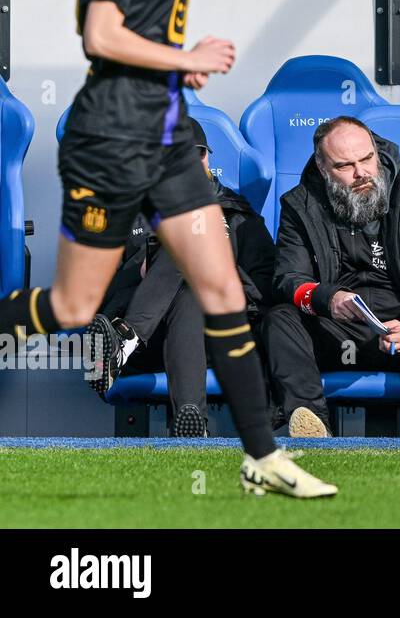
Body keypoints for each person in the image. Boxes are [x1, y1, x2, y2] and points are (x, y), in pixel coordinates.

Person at [0, 0, 335, 497]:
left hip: (168, 136)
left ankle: (263, 457)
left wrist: (177, 76)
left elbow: (138, 40)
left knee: (219, 284)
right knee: (73, 308)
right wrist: (184, 58)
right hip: (113, 137)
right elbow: (100, 33)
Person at [266, 117, 400, 437]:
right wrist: (327, 298)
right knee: (280, 320)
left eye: (367, 158)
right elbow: (288, 278)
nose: (362, 173)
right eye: (345, 166)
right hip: (338, 328)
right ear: (323, 167)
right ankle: (314, 429)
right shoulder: (300, 204)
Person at [85, 119, 276, 438]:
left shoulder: (237, 214)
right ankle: (191, 420)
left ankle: (126, 340)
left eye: (196, 154)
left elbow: (265, 286)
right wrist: (139, 271)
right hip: (151, 343)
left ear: (208, 158)